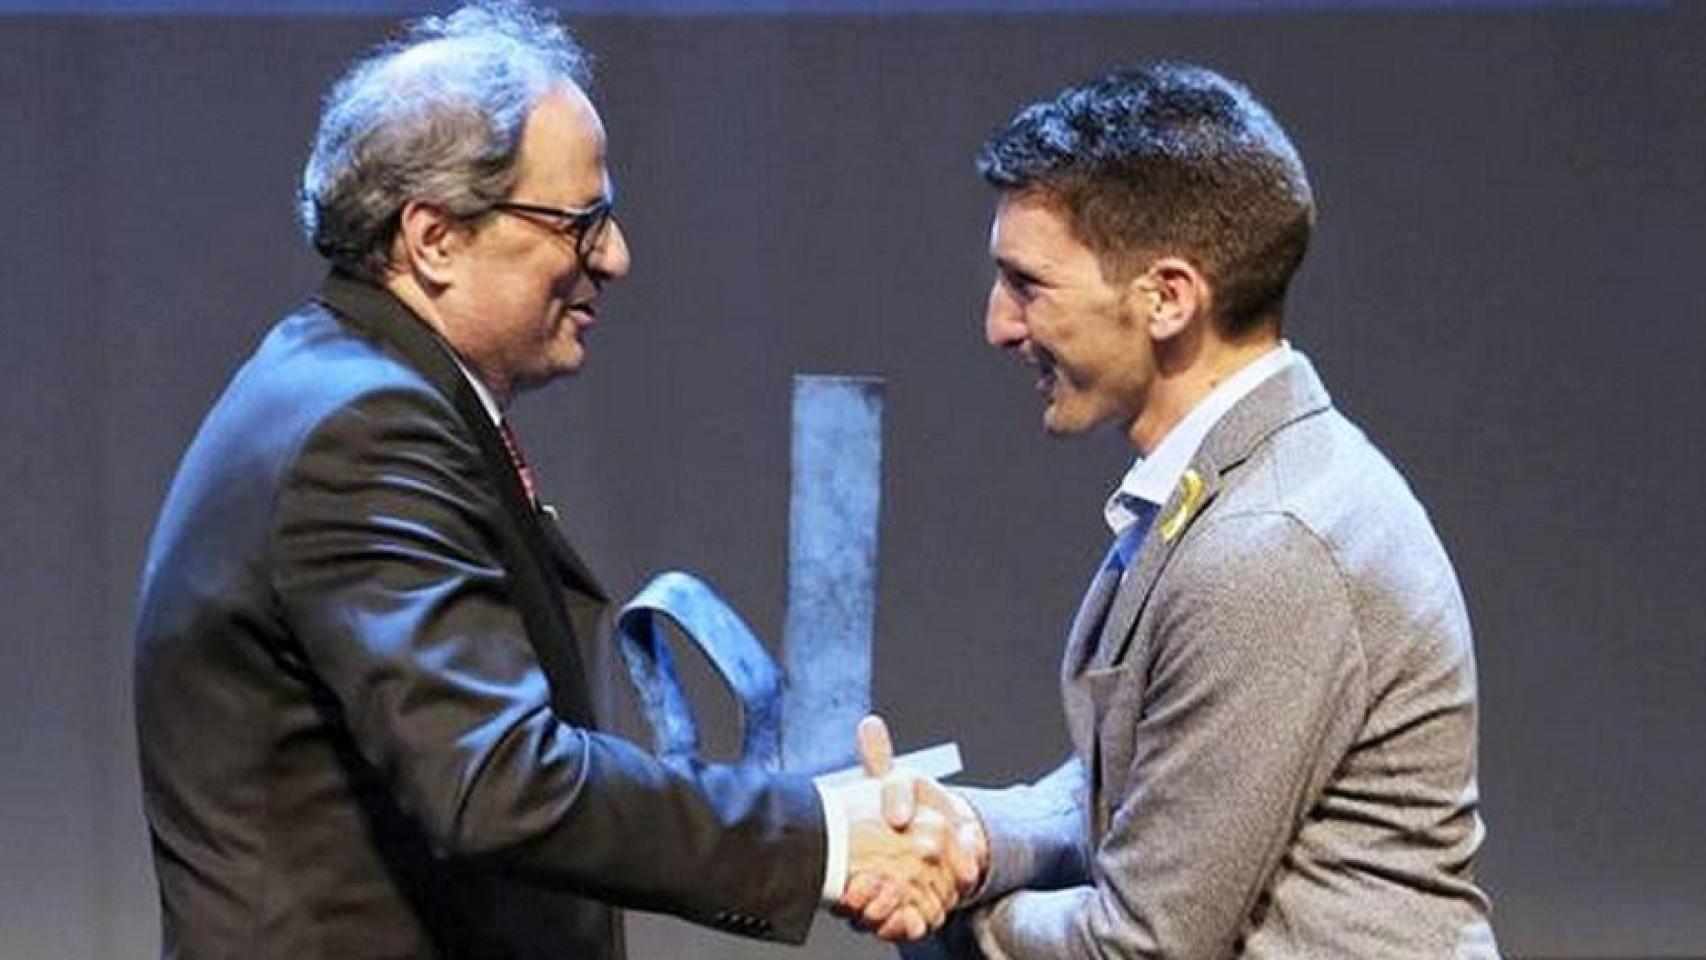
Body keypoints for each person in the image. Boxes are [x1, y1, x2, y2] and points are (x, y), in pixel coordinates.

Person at [132, 4, 971, 957]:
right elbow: (499, 783)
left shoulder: (338, 384)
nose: (614, 257)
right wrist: (824, 838)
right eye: (580, 222)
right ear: (434, 239)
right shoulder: (365, 432)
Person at [863, 63, 1501, 958]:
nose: (999, 326)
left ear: (1168, 297)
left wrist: (953, 919)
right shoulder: (1243, 484)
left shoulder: (1269, 545)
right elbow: (1142, 782)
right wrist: (970, 836)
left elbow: (1144, 945)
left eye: (1027, 285)